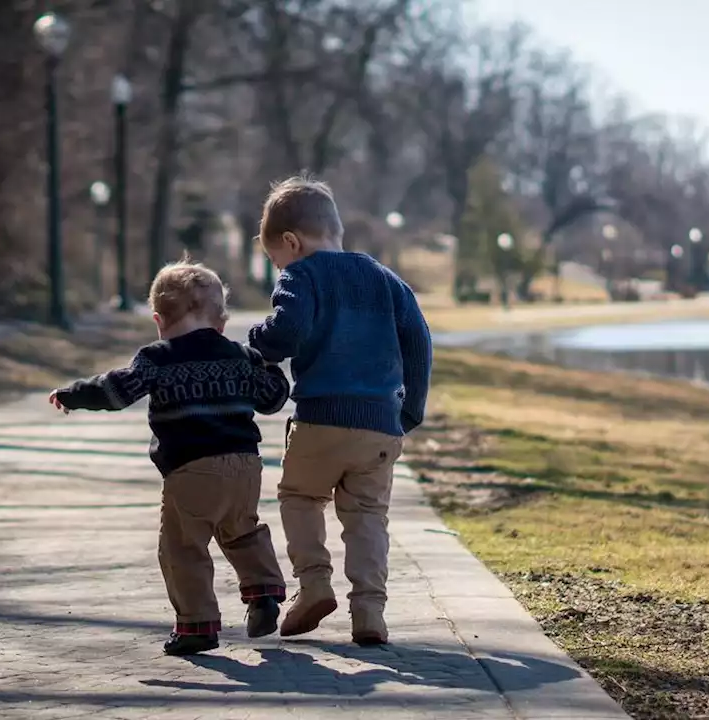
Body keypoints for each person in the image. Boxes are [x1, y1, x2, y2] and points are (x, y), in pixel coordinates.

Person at [49, 260, 291, 656]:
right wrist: (271, 366)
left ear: (158, 320)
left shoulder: (157, 358)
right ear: (221, 321)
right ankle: (263, 593)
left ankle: (197, 625)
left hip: (191, 469)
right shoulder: (240, 356)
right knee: (242, 530)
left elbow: (117, 390)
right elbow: (272, 399)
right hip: (245, 466)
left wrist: (75, 394)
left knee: (183, 547)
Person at [248, 175, 432, 646]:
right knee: (368, 515)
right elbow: (419, 342)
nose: (278, 267)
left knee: (300, 497)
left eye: (275, 259)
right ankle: (369, 612)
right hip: (379, 426)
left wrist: (257, 340)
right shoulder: (386, 280)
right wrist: (409, 411)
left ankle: (313, 585)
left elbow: (286, 333)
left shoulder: (301, 275)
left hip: (320, 419)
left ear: (292, 242)